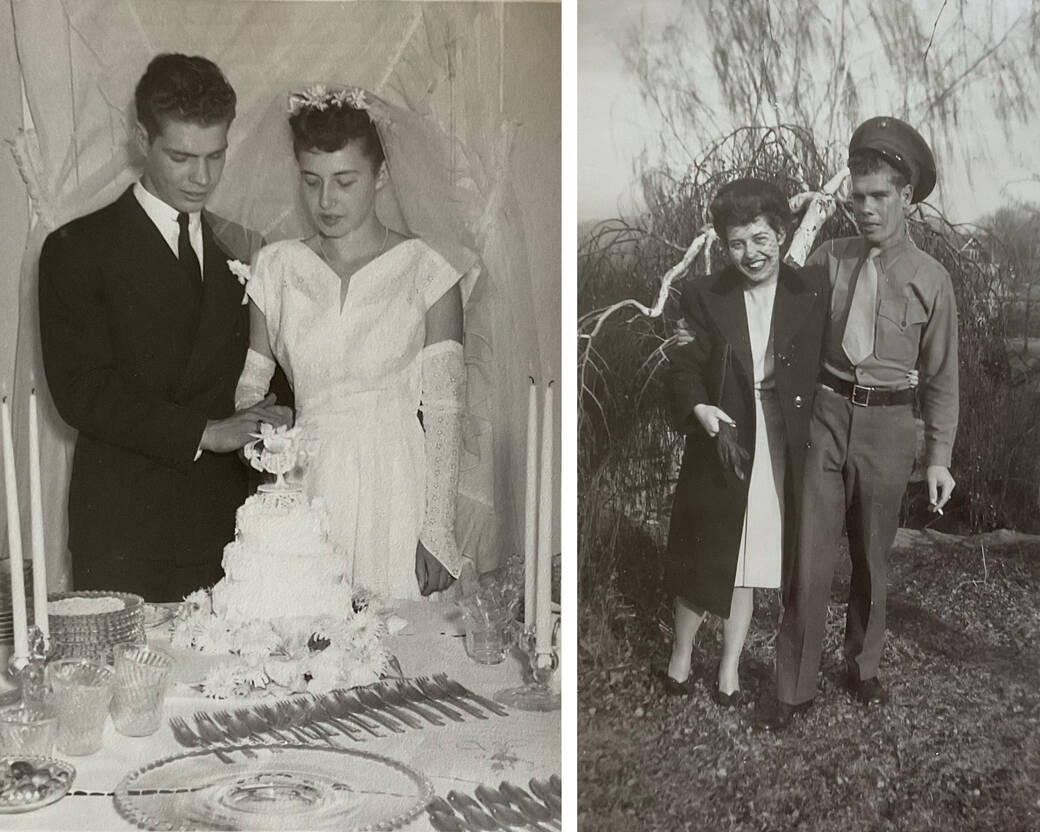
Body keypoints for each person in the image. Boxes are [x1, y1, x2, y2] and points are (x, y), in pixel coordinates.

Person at [38, 54, 292, 601]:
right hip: (125, 533)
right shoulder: (76, 250)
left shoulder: (244, 249)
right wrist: (207, 431)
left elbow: (268, 364)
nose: (202, 178)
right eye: (181, 157)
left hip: (227, 531)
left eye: (216, 156)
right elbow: (82, 393)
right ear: (140, 140)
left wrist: (283, 411)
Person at [232, 85, 472, 600]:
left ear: (381, 175)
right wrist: (271, 451)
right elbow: (251, 393)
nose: (326, 201)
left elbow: (447, 415)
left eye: (344, 181)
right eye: (311, 180)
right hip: (306, 485)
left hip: (396, 485)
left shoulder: (428, 272)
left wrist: (437, 530)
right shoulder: (276, 268)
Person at [766, 116, 959, 730]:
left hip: (890, 427)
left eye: (880, 197)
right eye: (858, 197)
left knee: (873, 557)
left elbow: (942, 378)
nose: (867, 209)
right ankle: (793, 687)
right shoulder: (829, 259)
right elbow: (769, 306)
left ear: (906, 197)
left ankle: (862, 664)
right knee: (809, 556)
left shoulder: (932, 280)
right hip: (826, 415)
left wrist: (937, 457)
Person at [662, 178, 829, 705]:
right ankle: (681, 655)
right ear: (722, 244)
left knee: (752, 554)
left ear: (779, 232)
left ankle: (729, 668)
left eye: (760, 238)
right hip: (724, 434)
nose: (750, 254)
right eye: (737, 243)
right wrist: (699, 408)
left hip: (779, 433)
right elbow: (683, 364)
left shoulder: (809, 293)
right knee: (705, 551)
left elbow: (829, 361)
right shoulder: (706, 294)